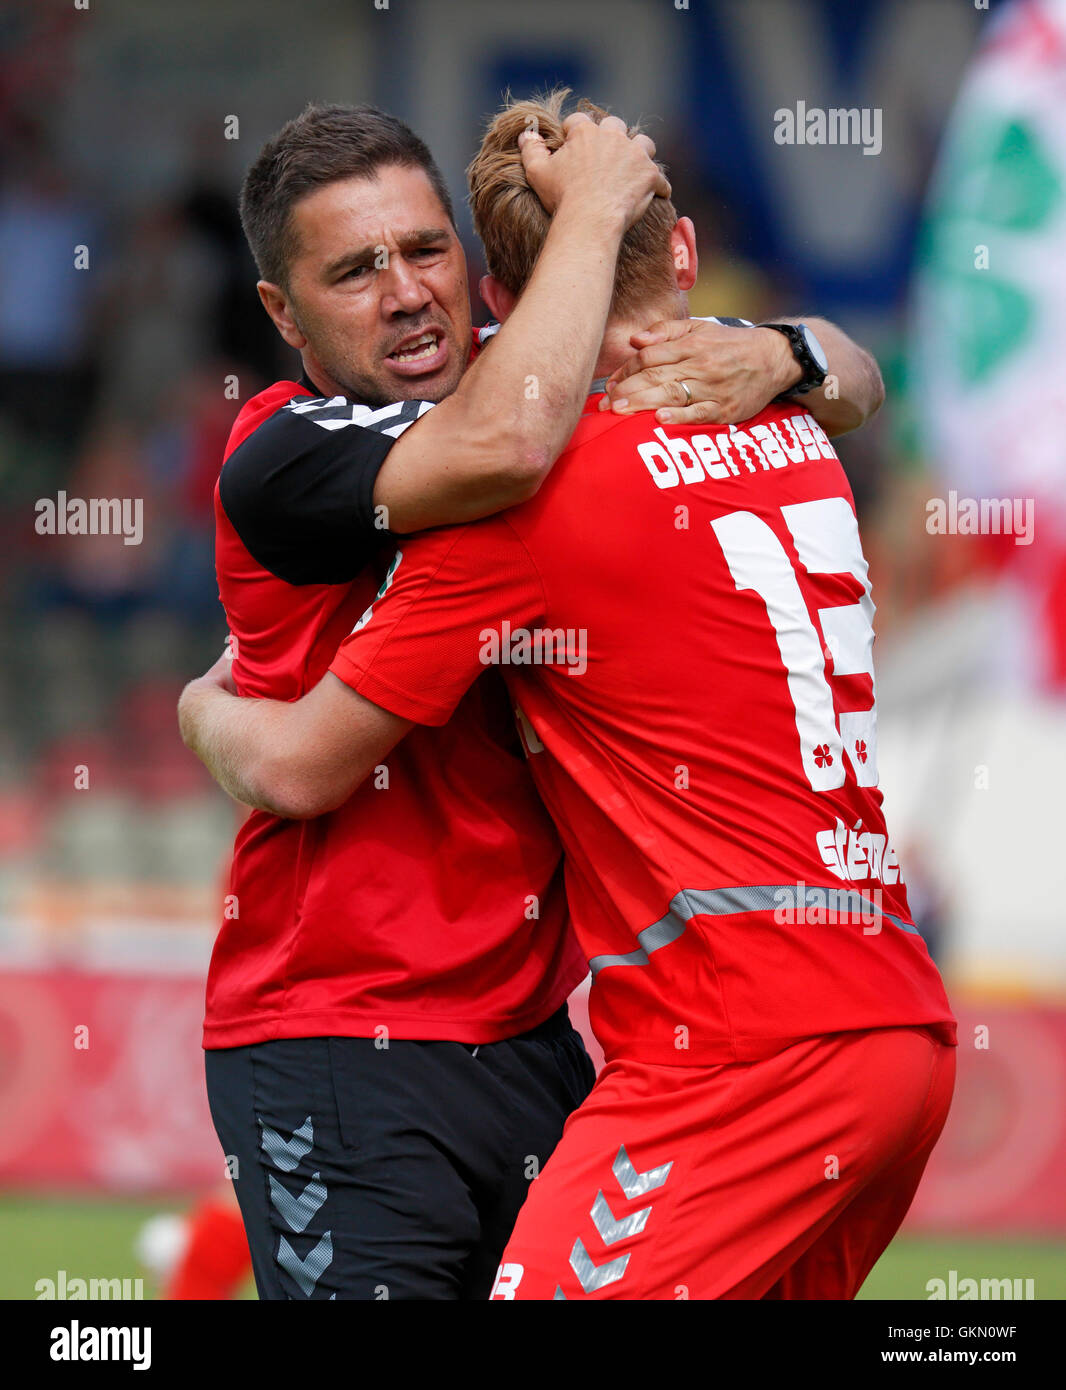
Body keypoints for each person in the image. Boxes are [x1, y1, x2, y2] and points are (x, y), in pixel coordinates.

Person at [181, 91, 955, 1301]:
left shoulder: (554, 392)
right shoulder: (286, 449)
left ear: (483, 280)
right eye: (353, 271)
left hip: (537, 1036)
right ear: (279, 312)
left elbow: (843, 374)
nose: (402, 290)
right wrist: (206, 714)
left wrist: (785, 351)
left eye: (426, 249)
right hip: (342, 1024)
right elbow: (508, 450)